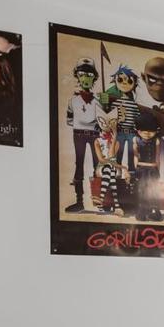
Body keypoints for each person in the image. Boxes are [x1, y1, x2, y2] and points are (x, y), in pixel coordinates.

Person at [64, 59, 101, 213]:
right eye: (82, 74)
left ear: (94, 77)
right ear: (77, 76)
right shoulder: (73, 100)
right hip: (79, 134)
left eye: (89, 74)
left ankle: (99, 199)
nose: (85, 78)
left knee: (97, 165)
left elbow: (106, 117)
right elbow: (69, 120)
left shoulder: (100, 99)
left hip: (94, 134)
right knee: (79, 164)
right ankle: (79, 201)